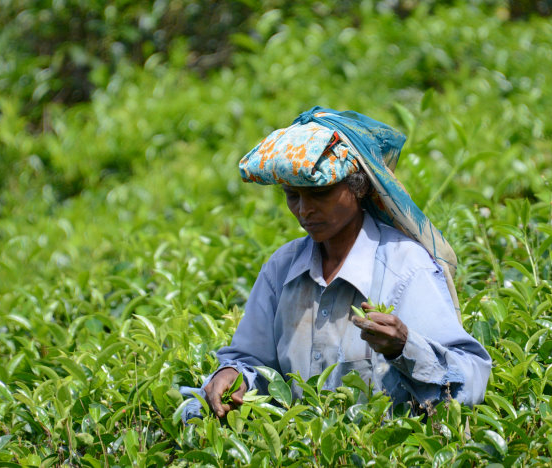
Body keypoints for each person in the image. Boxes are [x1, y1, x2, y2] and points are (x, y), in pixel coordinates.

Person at [181, 106, 491, 420]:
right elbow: (253, 361)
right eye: (292, 195)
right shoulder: (282, 268)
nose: (304, 211)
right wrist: (234, 374)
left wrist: (404, 347)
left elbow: (473, 376)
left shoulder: (406, 268)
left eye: (320, 193)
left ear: (358, 187)